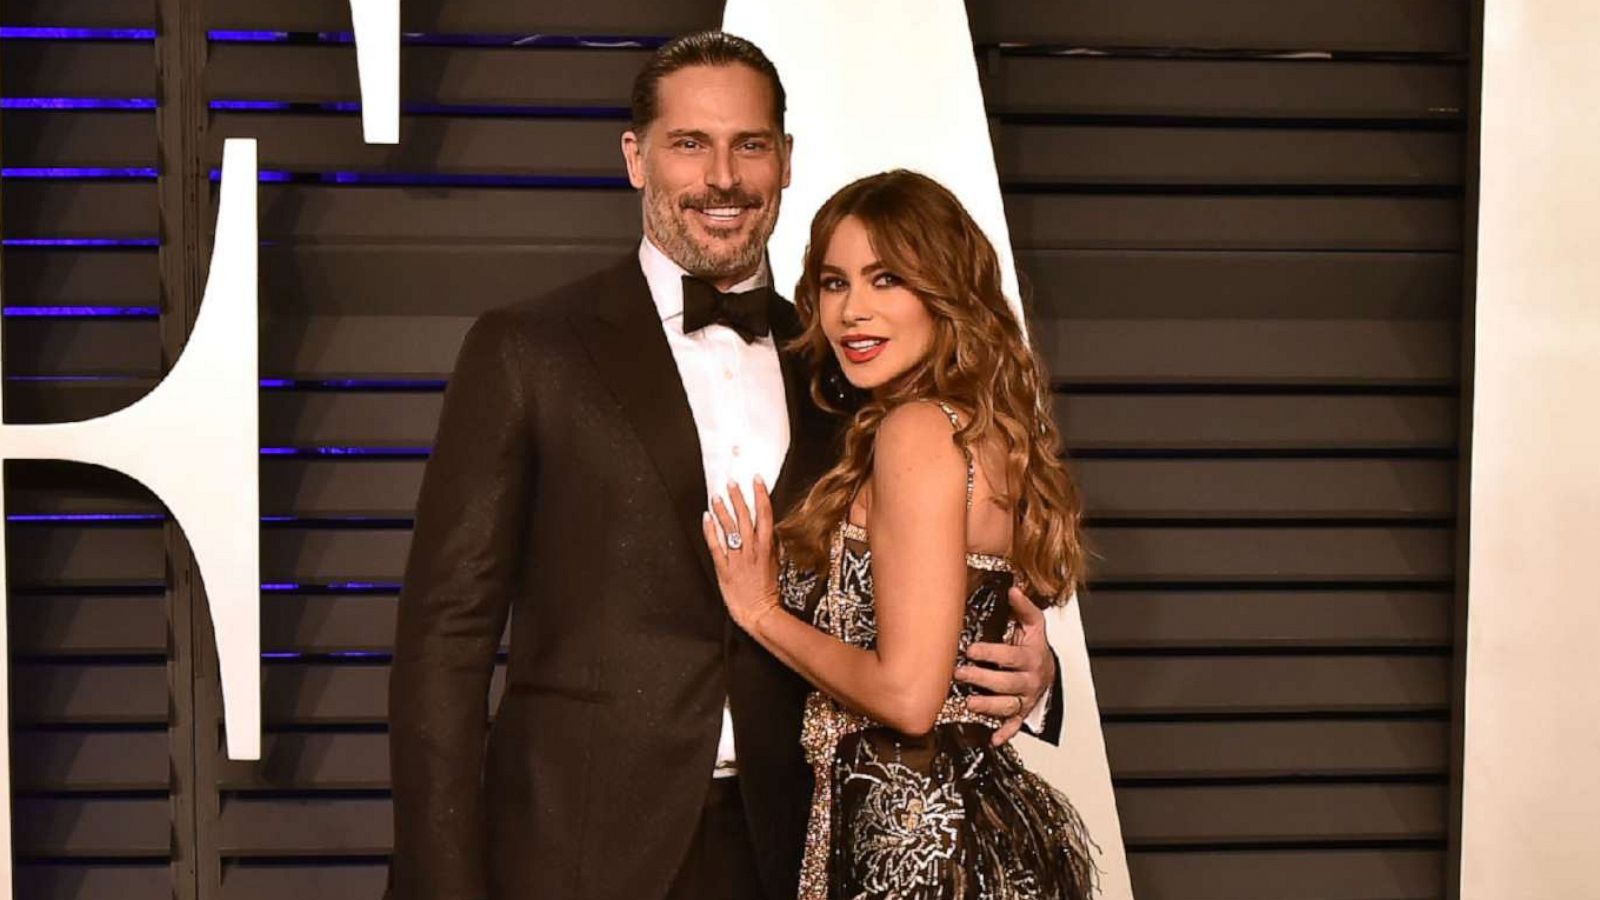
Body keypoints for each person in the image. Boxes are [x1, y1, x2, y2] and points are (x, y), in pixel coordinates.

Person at [387, 32, 1063, 900]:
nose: (723, 177)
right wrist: (440, 880)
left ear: (785, 161)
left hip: (800, 844)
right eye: (689, 144)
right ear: (636, 158)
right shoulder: (529, 351)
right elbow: (444, 639)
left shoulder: (850, 367)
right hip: (574, 850)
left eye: (749, 144)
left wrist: (1030, 673)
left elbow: (933, 571)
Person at [700, 169, 1098, 899]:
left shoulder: (915, 432)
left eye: (887, 279)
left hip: (916, 847)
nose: (852, 311)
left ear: (945, 291)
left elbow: (910, 695)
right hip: (953, 824)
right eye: (833, 282)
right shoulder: (974, 427)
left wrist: (761, 613)